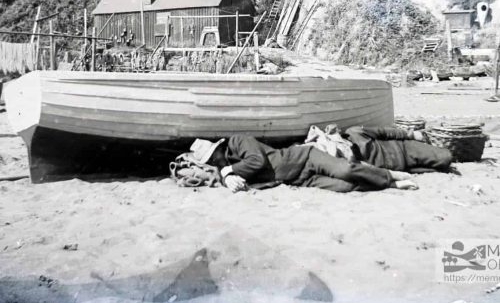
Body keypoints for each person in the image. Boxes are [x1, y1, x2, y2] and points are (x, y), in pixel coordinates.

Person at [189, 136, 418, 194]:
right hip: (300, 178)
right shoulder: (225, 170)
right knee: (345, 188)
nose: (214, 159)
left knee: (345, 169)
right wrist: (228, 177)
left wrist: (229, 171)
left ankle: (391, 178)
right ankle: (386, 184)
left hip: (306, 157)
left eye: (213, 154)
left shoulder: (238, 142)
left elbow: (257, 161)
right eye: (210, 160)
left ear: (219, 146)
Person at [314, 124, 453, 174]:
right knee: (439, 167)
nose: (343, 150)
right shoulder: (349, 162)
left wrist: (410, 134)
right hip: (403, 166)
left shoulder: (354, 132)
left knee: (446, 157)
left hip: (404, 149)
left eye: (340, 146)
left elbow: (384, 132)